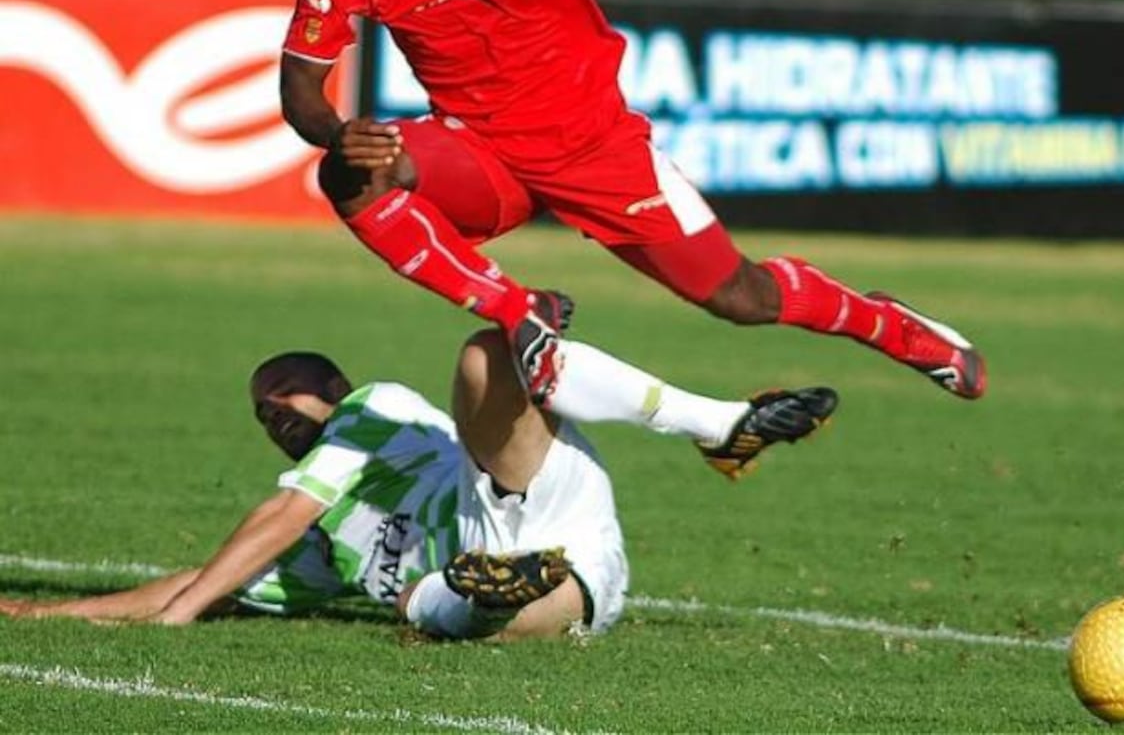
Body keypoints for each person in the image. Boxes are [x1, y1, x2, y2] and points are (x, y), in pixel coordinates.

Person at [279, 0, 986, 408]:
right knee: (351, 174)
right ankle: (521, 309)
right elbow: (299, 86)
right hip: (480, 149)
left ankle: (893, 326)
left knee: (740, 297)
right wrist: (336, 132)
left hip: (596, 147)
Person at [0, 316, 838, 639]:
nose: (273, 415)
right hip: (566, 583)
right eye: (260, 414)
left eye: (283, 394)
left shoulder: (377, 411)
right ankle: (483, 598)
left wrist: (179, 617)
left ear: (333, 389)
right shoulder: (323, 541)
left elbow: (281, 515)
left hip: (515, 490)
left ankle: (716, 422)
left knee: (489, 350)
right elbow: (211, 579)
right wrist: (51, 610)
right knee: (436, 604)